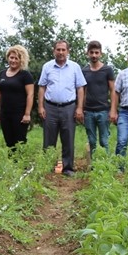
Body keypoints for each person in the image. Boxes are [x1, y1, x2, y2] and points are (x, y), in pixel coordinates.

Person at [38, 40, 87, 177]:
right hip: (50, 107)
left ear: (68, 51)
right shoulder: (47, 67)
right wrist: (41, 106)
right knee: (48, 139)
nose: (60, 52)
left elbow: (80, 88)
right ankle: (48, 167)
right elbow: (42, 87)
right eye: (58, 50)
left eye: (63, 50)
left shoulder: (75, 67)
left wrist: (79, 108)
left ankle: (68, 168)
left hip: (69, 107)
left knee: (68, 139)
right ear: (54, 51)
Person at [0, 45, 34, 151]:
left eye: (16, 58)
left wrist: (27, 114)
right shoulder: (2, 74)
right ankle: (12, 165)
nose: (13, 60)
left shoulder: (25, 75)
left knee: (20, 142)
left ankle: (21, 166)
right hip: (5, 114)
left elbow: (30, 95)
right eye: (11, 57)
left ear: (21, 60)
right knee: (9, 142)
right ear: (8, 57)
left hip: (20, 115)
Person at [81, 41, 115, 159]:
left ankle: (106, 163)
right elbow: (82, 92)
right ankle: (94, 164)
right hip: (89, 111)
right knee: (91, 140)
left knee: (104, 141)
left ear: (101, 53)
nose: (94, 55)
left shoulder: (107, 70)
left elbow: (113, 90)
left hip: (103, 110)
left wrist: (113, 110)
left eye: (96, 52)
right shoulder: (84, 71)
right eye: (91, 52)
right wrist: (80, 109)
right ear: (87, 53)